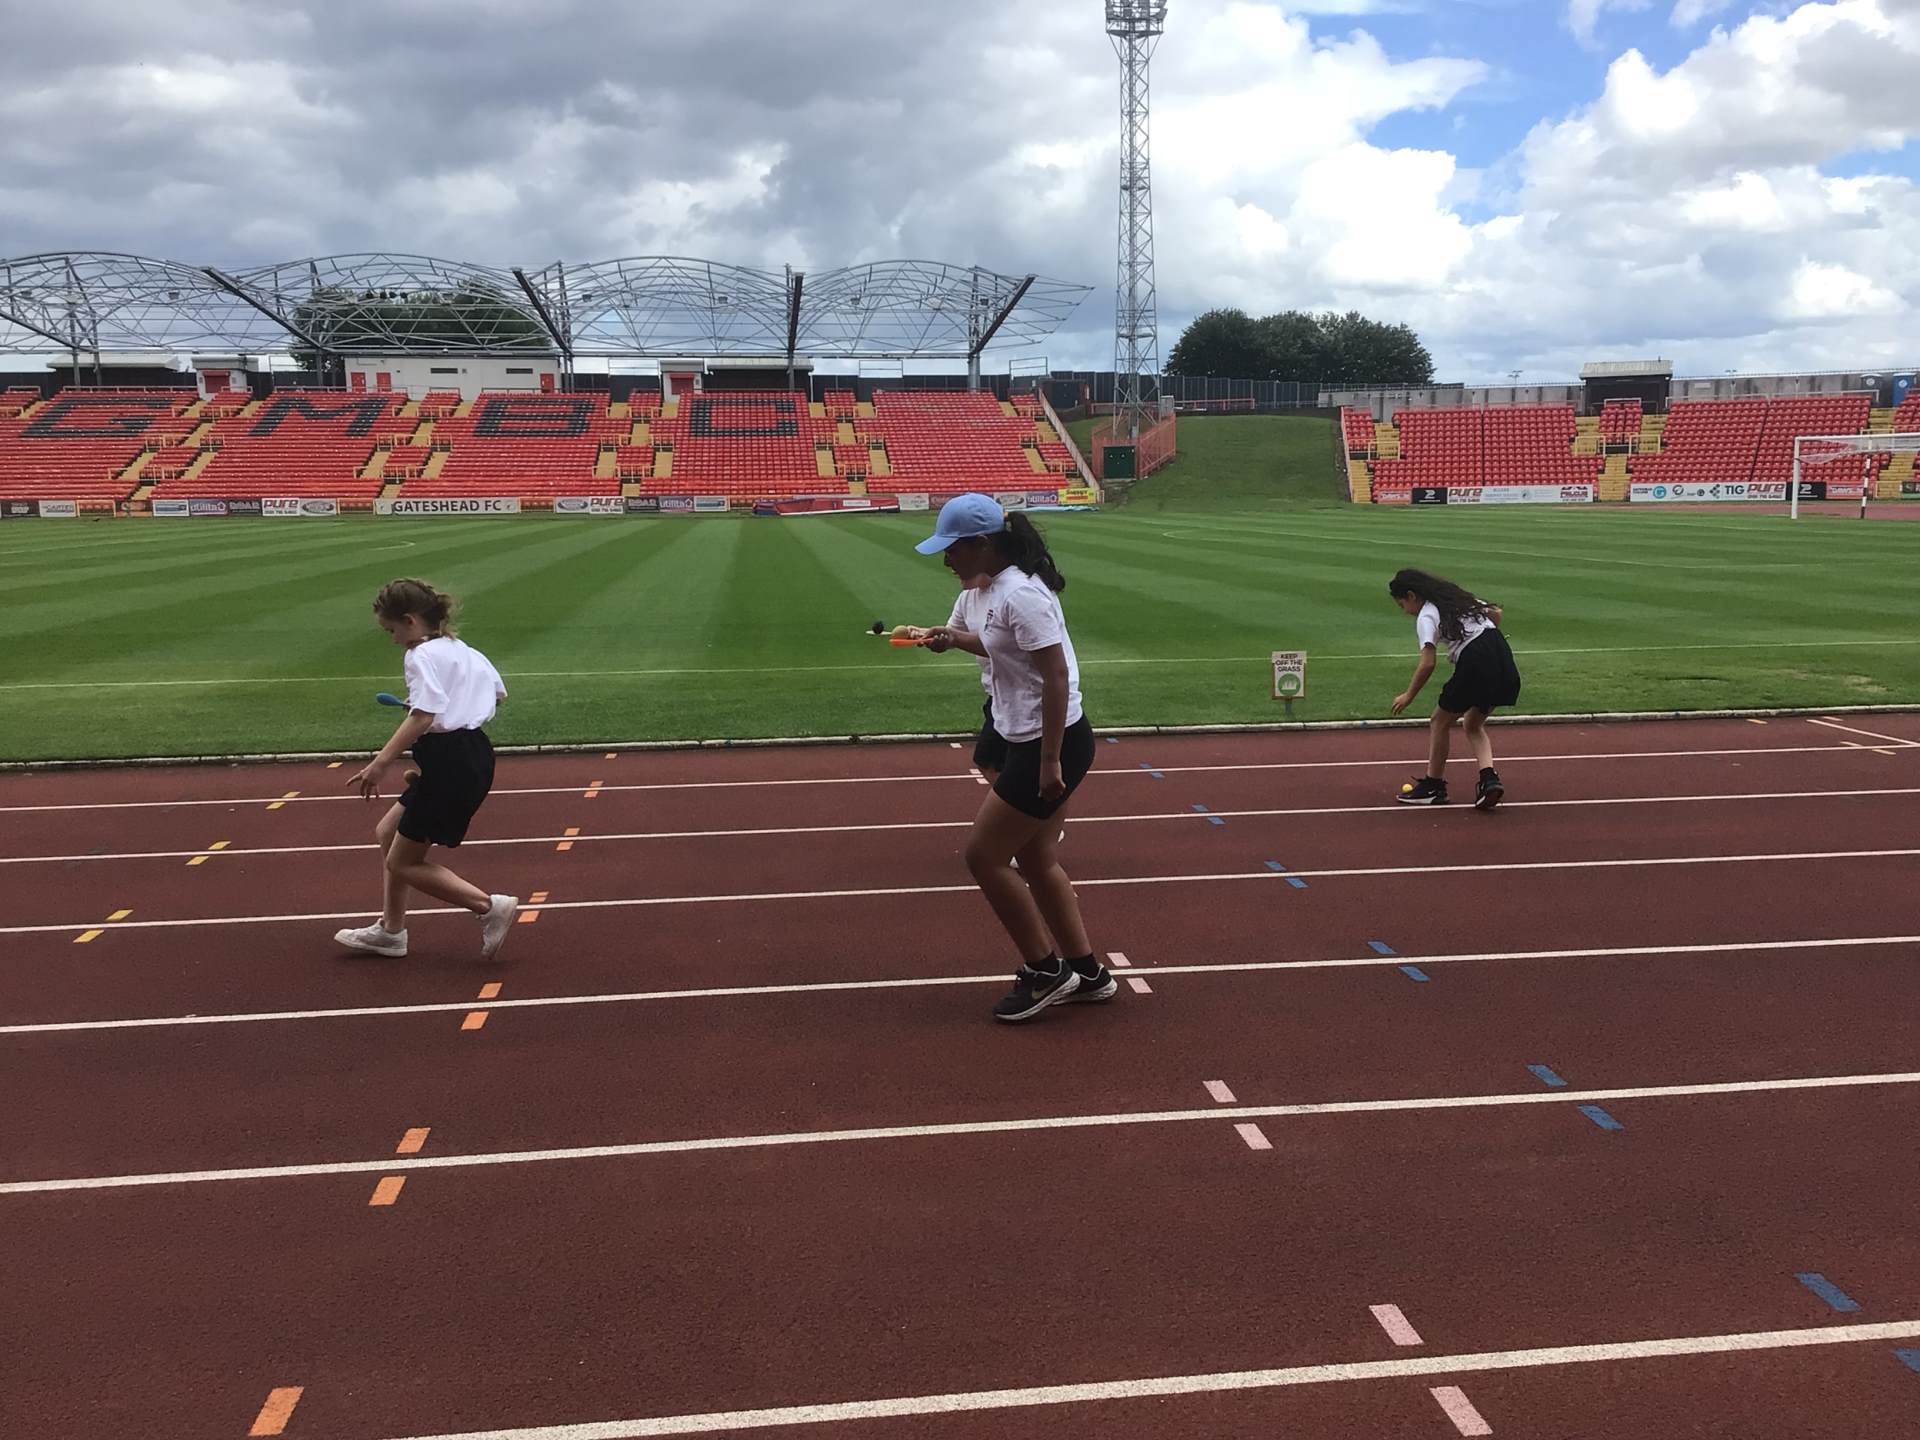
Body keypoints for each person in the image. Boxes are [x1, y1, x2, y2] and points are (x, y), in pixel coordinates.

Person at [916, 494, 1115, 1021]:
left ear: (983, 544)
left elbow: (1056, 676)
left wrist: (1049, 762)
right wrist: (955, 639)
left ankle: (1046, 971)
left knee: (983, 857)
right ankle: (1088, 972)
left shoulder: (1022, 594)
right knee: (1036, 859)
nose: (946, 559)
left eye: (953, 549)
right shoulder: (991, 590)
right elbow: (1000, 647)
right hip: (1027, 735)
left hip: (1048, 740)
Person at [336, 579, 520, 958]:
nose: (393, 640)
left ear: (410, 621)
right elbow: (497, 695)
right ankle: (391, 931)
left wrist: (379, 764)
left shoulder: (418, 655)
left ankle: (488, 906)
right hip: (472, 753)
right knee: (388, 832)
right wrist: (442, 708)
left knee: (401, 862)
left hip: (450, 761)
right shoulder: (463, 649)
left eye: (392, 631)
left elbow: (423, 717)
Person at [1387, 567, 1521, 810]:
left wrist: (1408, 696)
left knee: (1439, 721)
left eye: (1402, 604)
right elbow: (1496, 614)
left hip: (1475, 658)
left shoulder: (1426, 615)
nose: (1405, 611)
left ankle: (1433, 786)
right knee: (1473, 723)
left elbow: (1427, 663)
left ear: (1412, 596)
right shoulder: (1457, 598)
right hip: (1501, 654)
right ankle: (1489, 780)